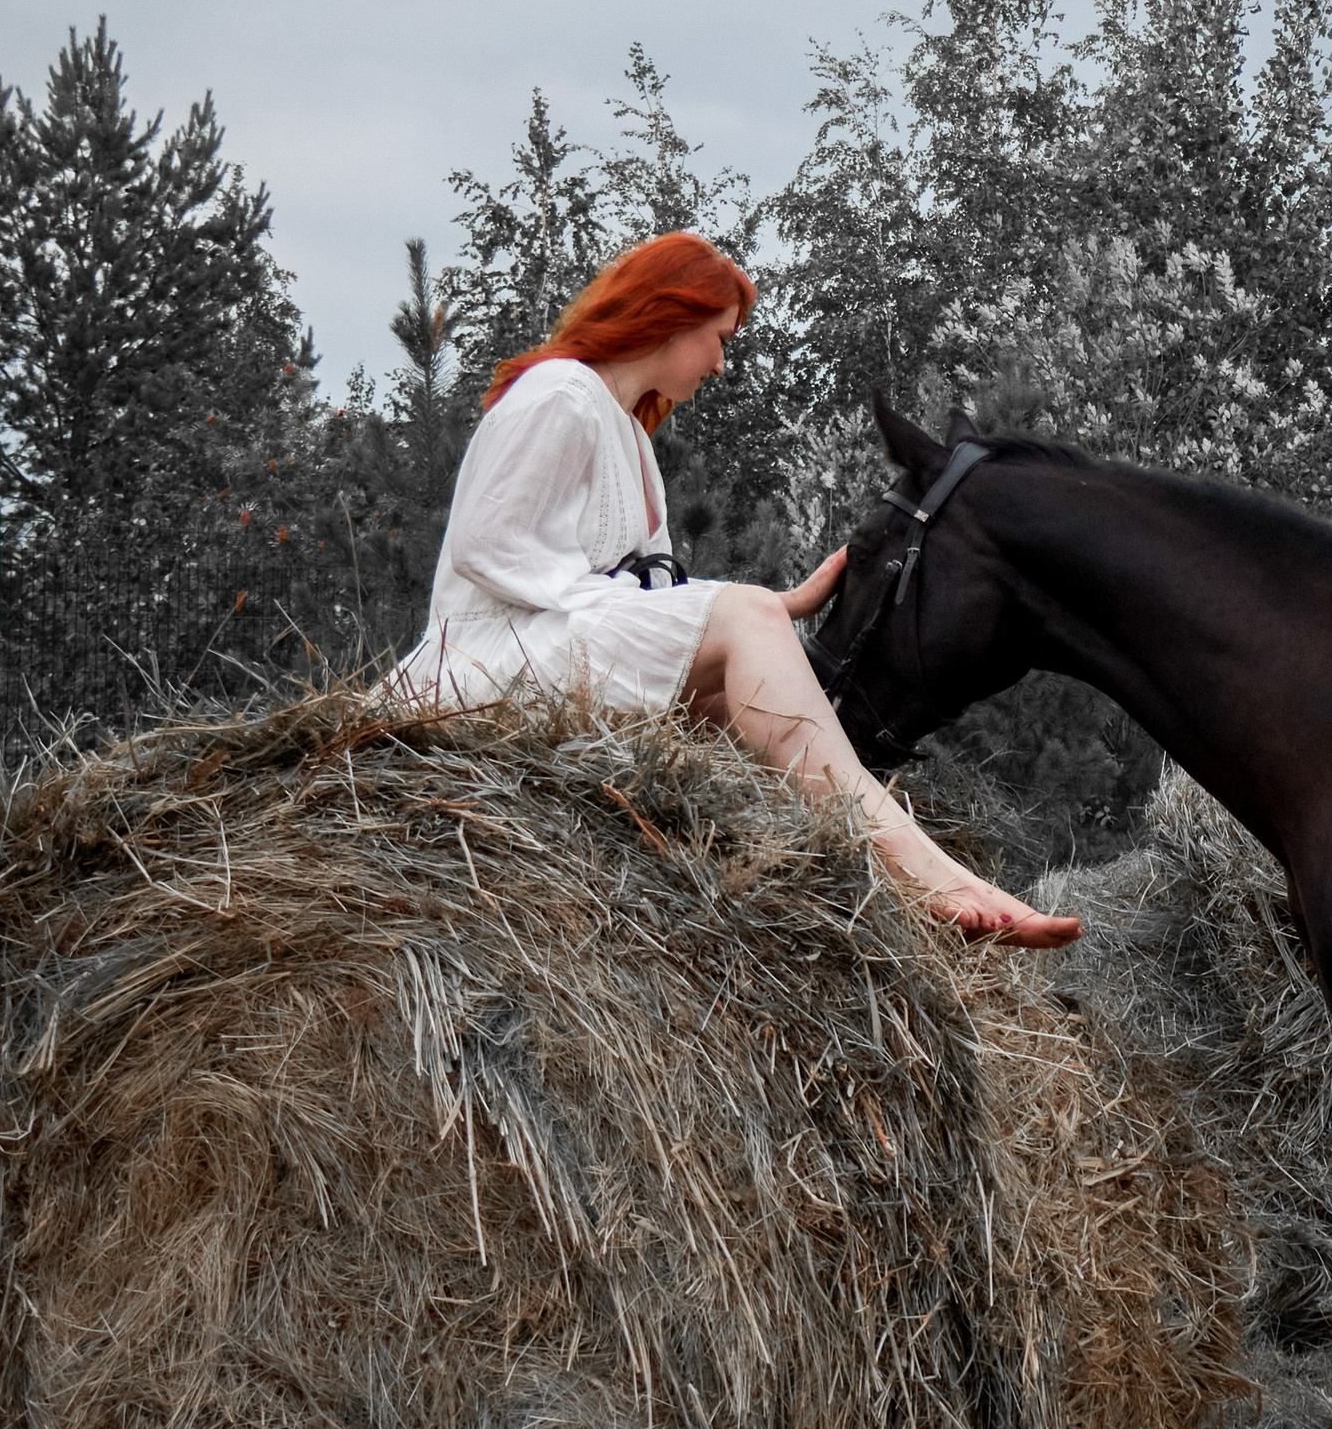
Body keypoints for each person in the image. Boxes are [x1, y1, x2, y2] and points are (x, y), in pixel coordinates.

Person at [385, 230, 1080, 947]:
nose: (720, 361)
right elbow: (486, 545)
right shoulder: (560, 394)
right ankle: (926, 873)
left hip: (552, 648)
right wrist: (728, 609)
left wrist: (771, 609)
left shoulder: (627, 433)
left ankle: (856, 901)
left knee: (733, 689)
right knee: (743, 621)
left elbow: (641, 596)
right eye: (718, 337)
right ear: (671, 315)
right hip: (486, 661)